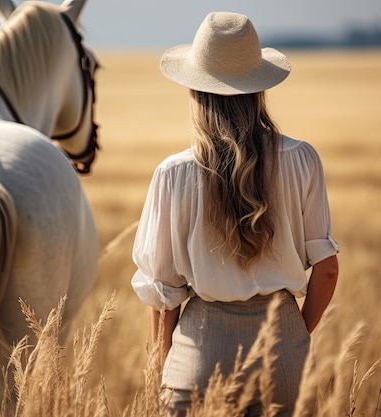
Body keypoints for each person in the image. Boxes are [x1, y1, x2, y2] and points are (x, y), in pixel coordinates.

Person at [131, 11, 340, 416]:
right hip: (284, 358)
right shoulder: (302, 159)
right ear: (259, 87)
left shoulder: (172, 174)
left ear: (197, 91)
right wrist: (292, 337)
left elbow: (164, 295)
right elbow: (327, 270)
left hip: (199, 358)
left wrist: (159, 370)